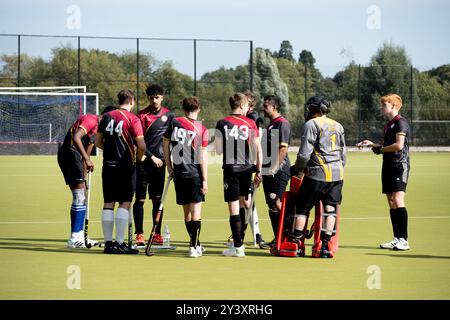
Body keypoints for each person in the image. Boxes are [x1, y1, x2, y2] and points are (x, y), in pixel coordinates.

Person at [291, 96, 346, 258]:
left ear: (314, 109)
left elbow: (304, 154)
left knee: (302, 207)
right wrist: (339, 169)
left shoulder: (311, 124)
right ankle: (325, 246)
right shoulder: (338, 125)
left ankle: (296, 243)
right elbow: (343, 154)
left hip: (317, 173)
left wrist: (297, 169)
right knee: (330, 208)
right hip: (337, 174)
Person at [356, 94, 410, 251]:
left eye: (384, 105)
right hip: (387, 165)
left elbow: (399, 146)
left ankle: (404, 240)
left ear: (393, 105)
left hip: (399, 165)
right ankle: (397, 238)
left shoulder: (401, 122)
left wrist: (380, 149)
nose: (382, 108)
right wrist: (372, 144)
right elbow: (386, 146)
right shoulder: (388, 125)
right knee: (391, 202)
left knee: (398, 199)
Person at [95, 89, 146, 254]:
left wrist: (110, 150)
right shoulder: (133, 119)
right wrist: (138, 158)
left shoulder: (107, 116)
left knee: (108, 203)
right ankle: (119, 242)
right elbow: (142, 146)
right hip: (126, 167)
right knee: (125, 202)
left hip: (108, 166)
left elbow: (97, 142)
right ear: (132, 101)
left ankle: (108, 244)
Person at [57, 105, 116, 249]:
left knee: (82, 195)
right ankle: (74, 237)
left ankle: (81, 235)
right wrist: (87, 160)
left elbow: (87, 154)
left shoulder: (99, 130)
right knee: (79, 196)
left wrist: (84, 175)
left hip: (78, 158)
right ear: (105, 116)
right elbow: (77, 137)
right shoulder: (90, 119)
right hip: (69, 154)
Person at [215, 92, 263, 257]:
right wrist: (259, 170)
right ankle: (239, 243)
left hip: (231, 170)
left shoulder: (222, 123)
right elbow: (258, 149)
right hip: (247, 169)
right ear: (242, 105)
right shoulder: (250, 122)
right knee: (244, 204)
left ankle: (238, 247)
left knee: (234, 208)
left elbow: (219, 150)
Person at [163, 96, 208, 258]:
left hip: (179, 173)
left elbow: (165, 144)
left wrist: (169, 167)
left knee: (187, 213)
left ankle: (196, 244)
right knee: (196, 211)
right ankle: (193, 246)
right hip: (195, 174)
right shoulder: (201, 129)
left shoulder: (174, 122)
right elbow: (202, 158)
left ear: (183, 109)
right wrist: (205, 180)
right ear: (199, 109)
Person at [132, 84, 174, 247]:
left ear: (162, 97)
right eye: (151, 97)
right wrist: (152, 157)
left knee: (157, 200)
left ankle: (156, 234)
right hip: (143, 163)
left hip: (160, 165)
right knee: (140, 200)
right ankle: (140, 234)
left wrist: (169, 161)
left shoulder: (169, 116)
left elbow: (172, 140)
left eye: (157, 97)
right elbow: (138, 141)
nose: (154, 100)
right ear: (148, 98)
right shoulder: (141, 115)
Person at [261, 95, 292, 248]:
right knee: (272, 204)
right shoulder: (271, 124)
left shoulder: (282, 124)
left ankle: (288, 236)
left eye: (265, 106)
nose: (263, 109)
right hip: (268, 170)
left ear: (274, 107)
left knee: (277, 202)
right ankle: (278, 238)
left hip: (279, 171)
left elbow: (283, 148)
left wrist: (275, 167)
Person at [241, 90, 267, 248]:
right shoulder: (246, 117)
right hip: (247, 163)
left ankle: (256, 234)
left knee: (248, 200)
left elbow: (256, 143)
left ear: (249, 104)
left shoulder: (252, 118)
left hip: (249, 163)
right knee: (248, 200)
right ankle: (248, 232)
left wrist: (257, 167)